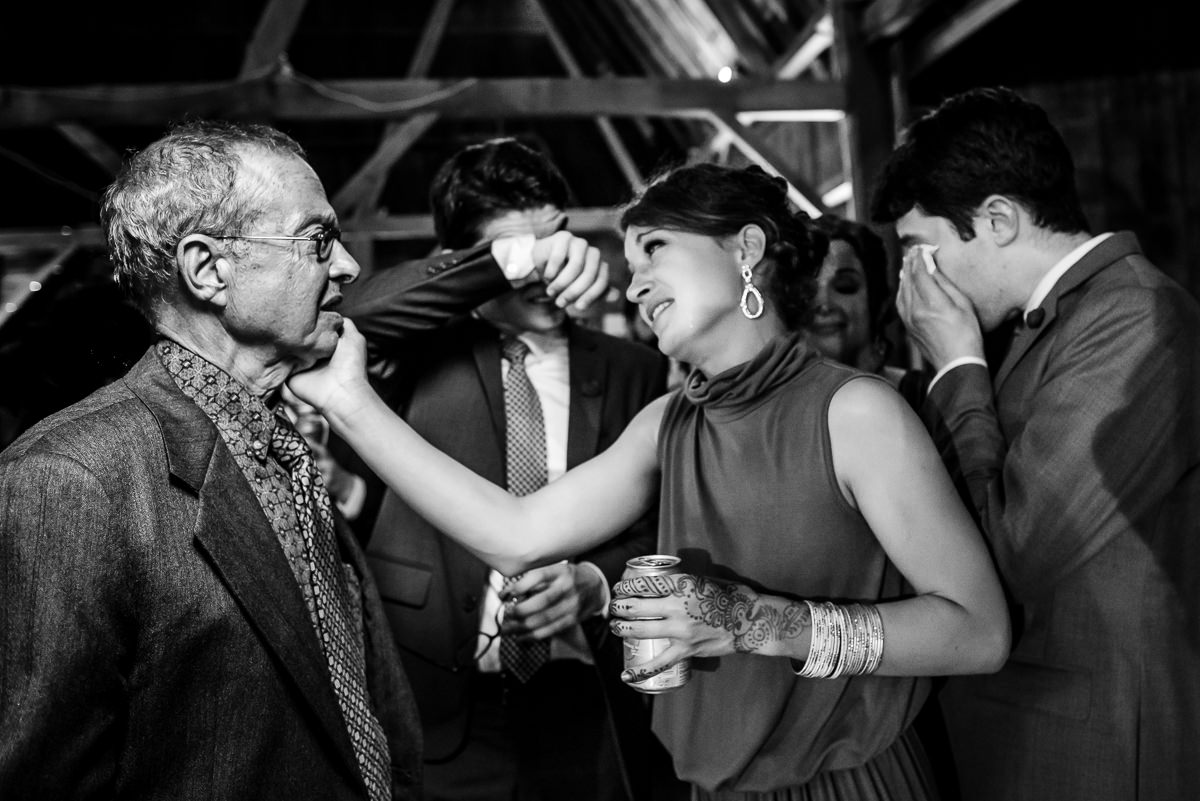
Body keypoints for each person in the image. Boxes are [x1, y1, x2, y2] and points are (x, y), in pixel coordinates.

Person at [290, 162, 1011, 801]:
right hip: (713, 787)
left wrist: (756, 621)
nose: (632, 284)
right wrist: (350, 403)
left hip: (849, 780)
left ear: (746, 250)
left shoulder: (853, 410)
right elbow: (515, 533)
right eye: (630, 262)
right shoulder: (668, 422)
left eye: (654, 249)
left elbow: (979, 632)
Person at [0, 120, 609, 801]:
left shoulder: (278, 438)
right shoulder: (67, 478)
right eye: (318, 240)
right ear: (208, 269)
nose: (347, 265)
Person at [871, 86, 1200, 801]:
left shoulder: (1136, 316)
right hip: (1025, 729)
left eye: (920, 250)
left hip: (1099, 745)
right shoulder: (1041, 322)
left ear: (997, 219)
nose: (911, 281)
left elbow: (1015, 550)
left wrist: (957, 366)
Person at [342, 138, 677, 801]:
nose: (550, 276)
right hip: (436, 697)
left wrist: (593, 581)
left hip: (585, 695)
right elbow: (355, 311)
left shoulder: (633, 368)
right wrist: (513, 260)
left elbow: (661, 528)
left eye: (556, 240)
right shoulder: (413, 352)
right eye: (528, 256)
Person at [804, 215, 929, 407]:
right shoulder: (777, 413)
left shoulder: (926, 398)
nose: (824, 304)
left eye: (845, 286)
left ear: (878, 301)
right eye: (808, 290)